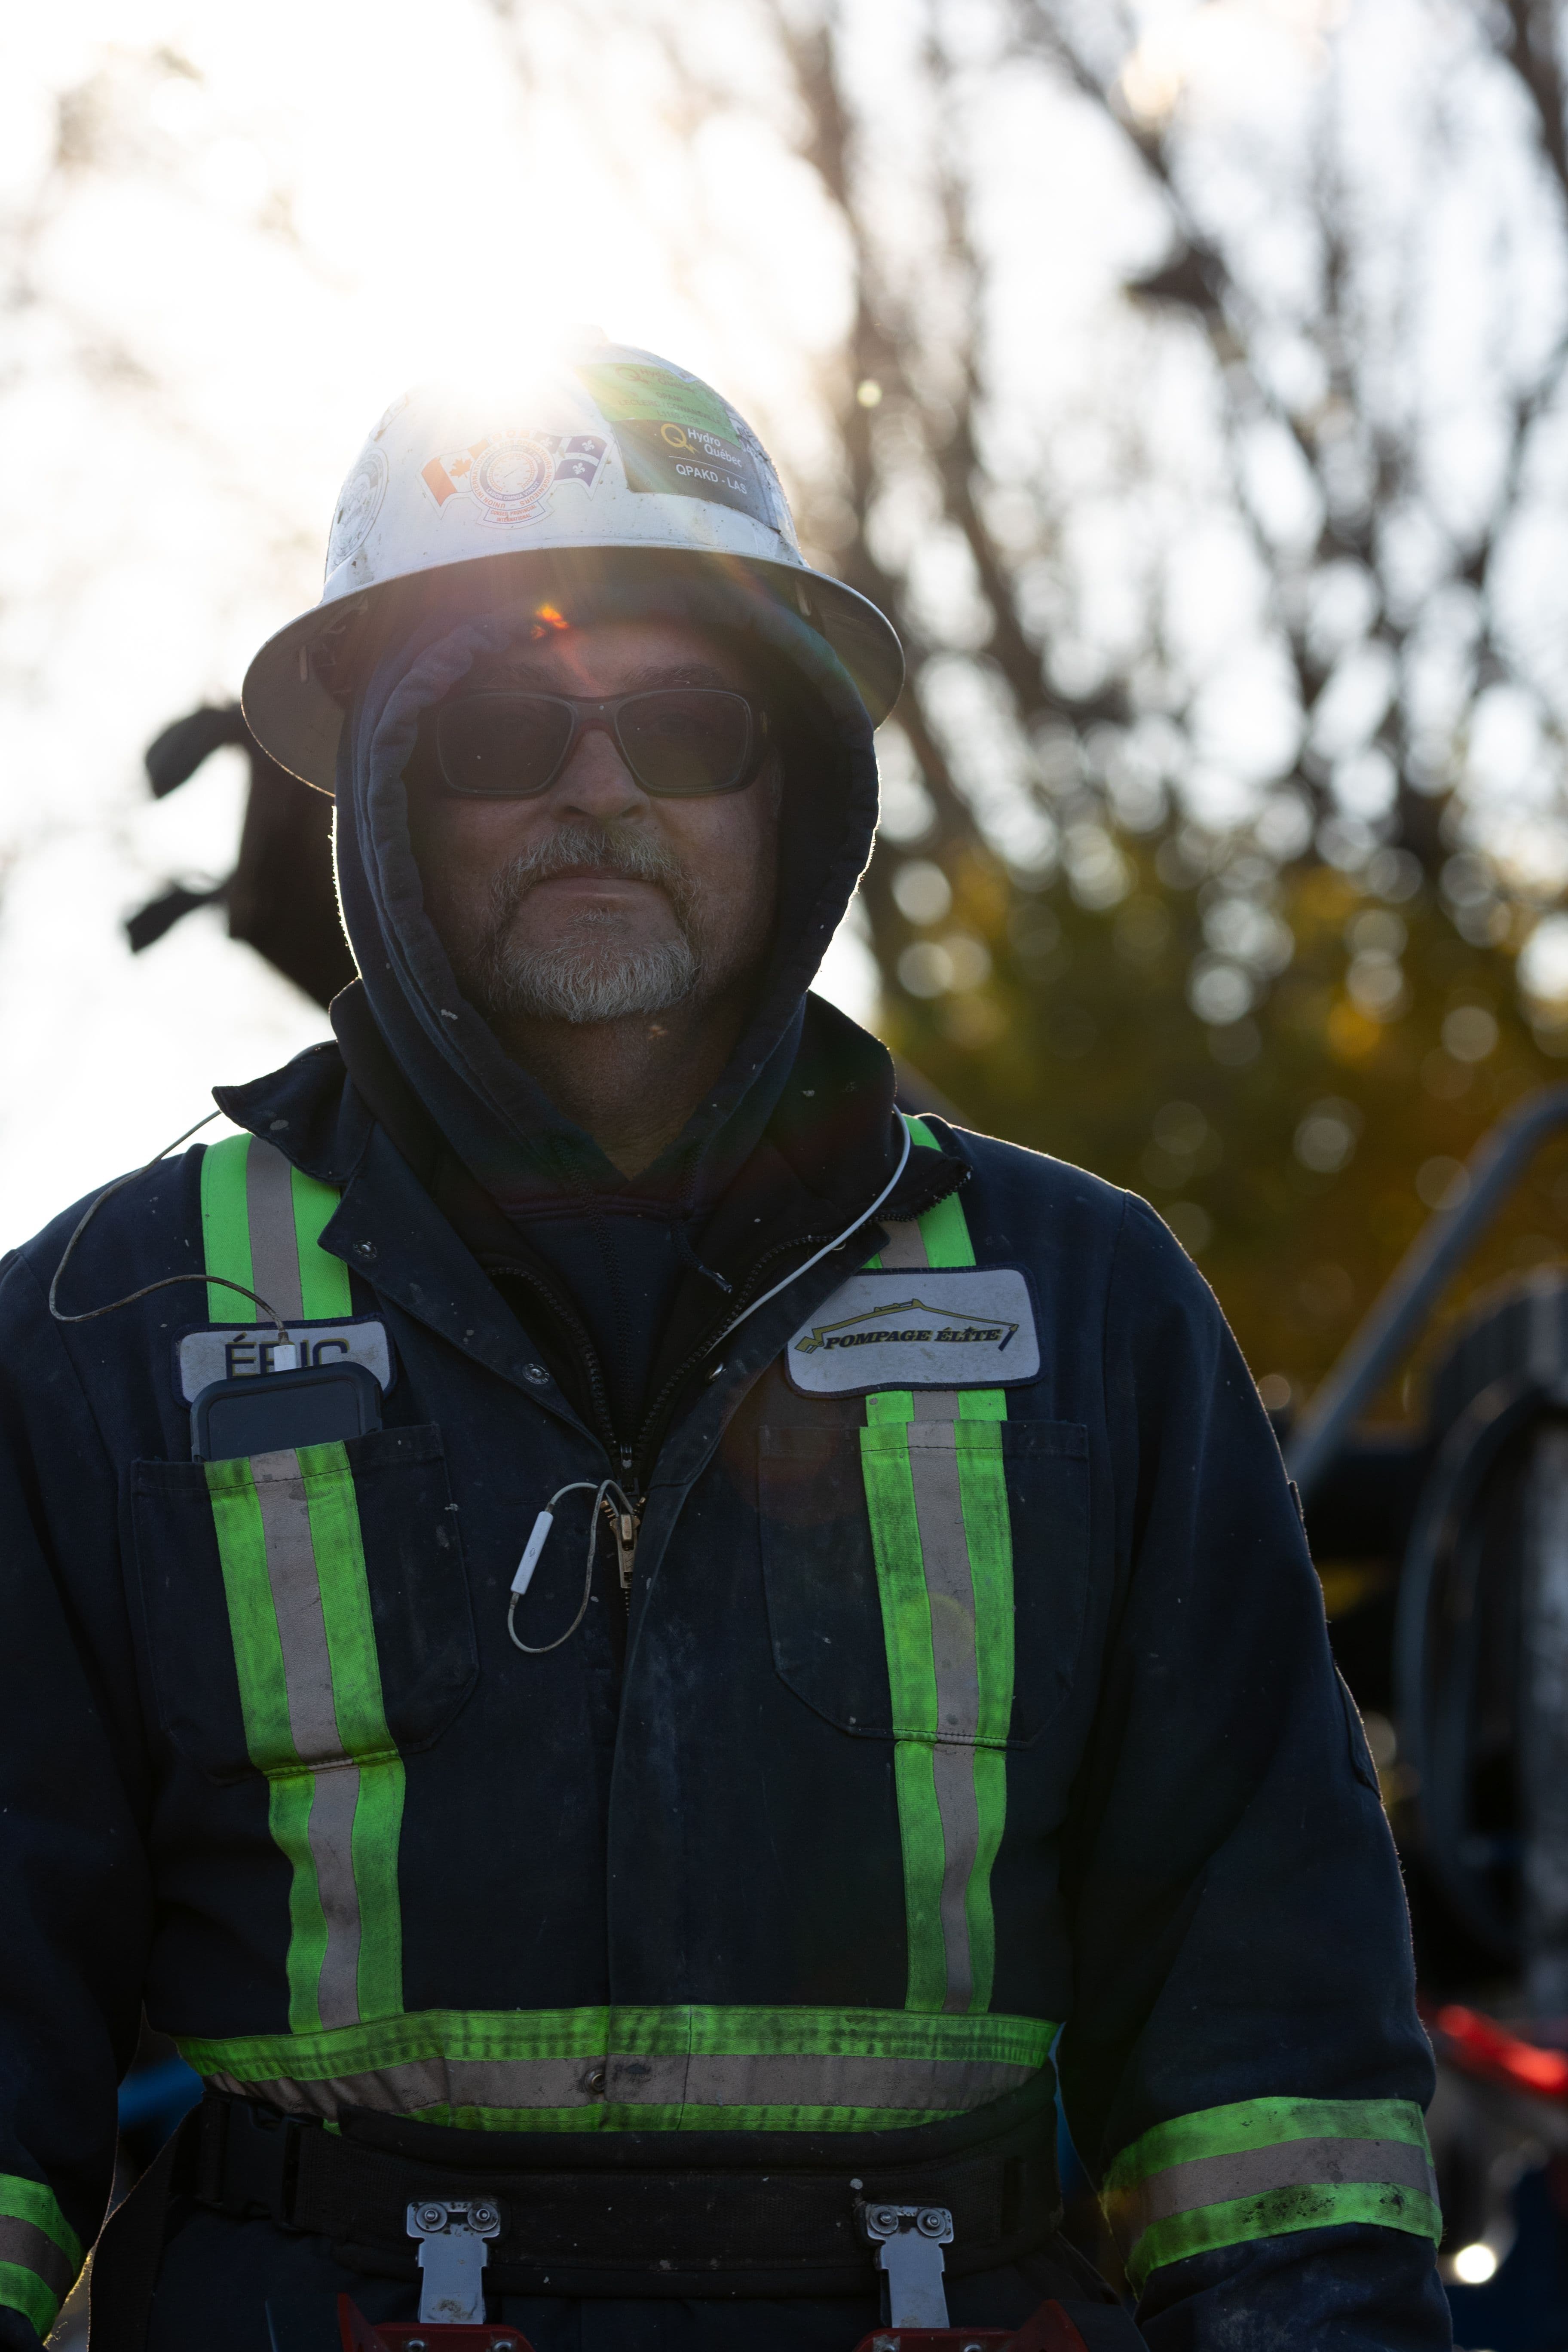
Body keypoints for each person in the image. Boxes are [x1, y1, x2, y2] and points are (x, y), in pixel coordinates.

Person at [0, 340, 1449, 2352]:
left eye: (686, 726)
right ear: (396, 798)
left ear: (797, 784)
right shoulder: (101, 1333)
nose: (600, 787)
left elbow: (1262, 2055)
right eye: (507, 729)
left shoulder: (1092, 1308)